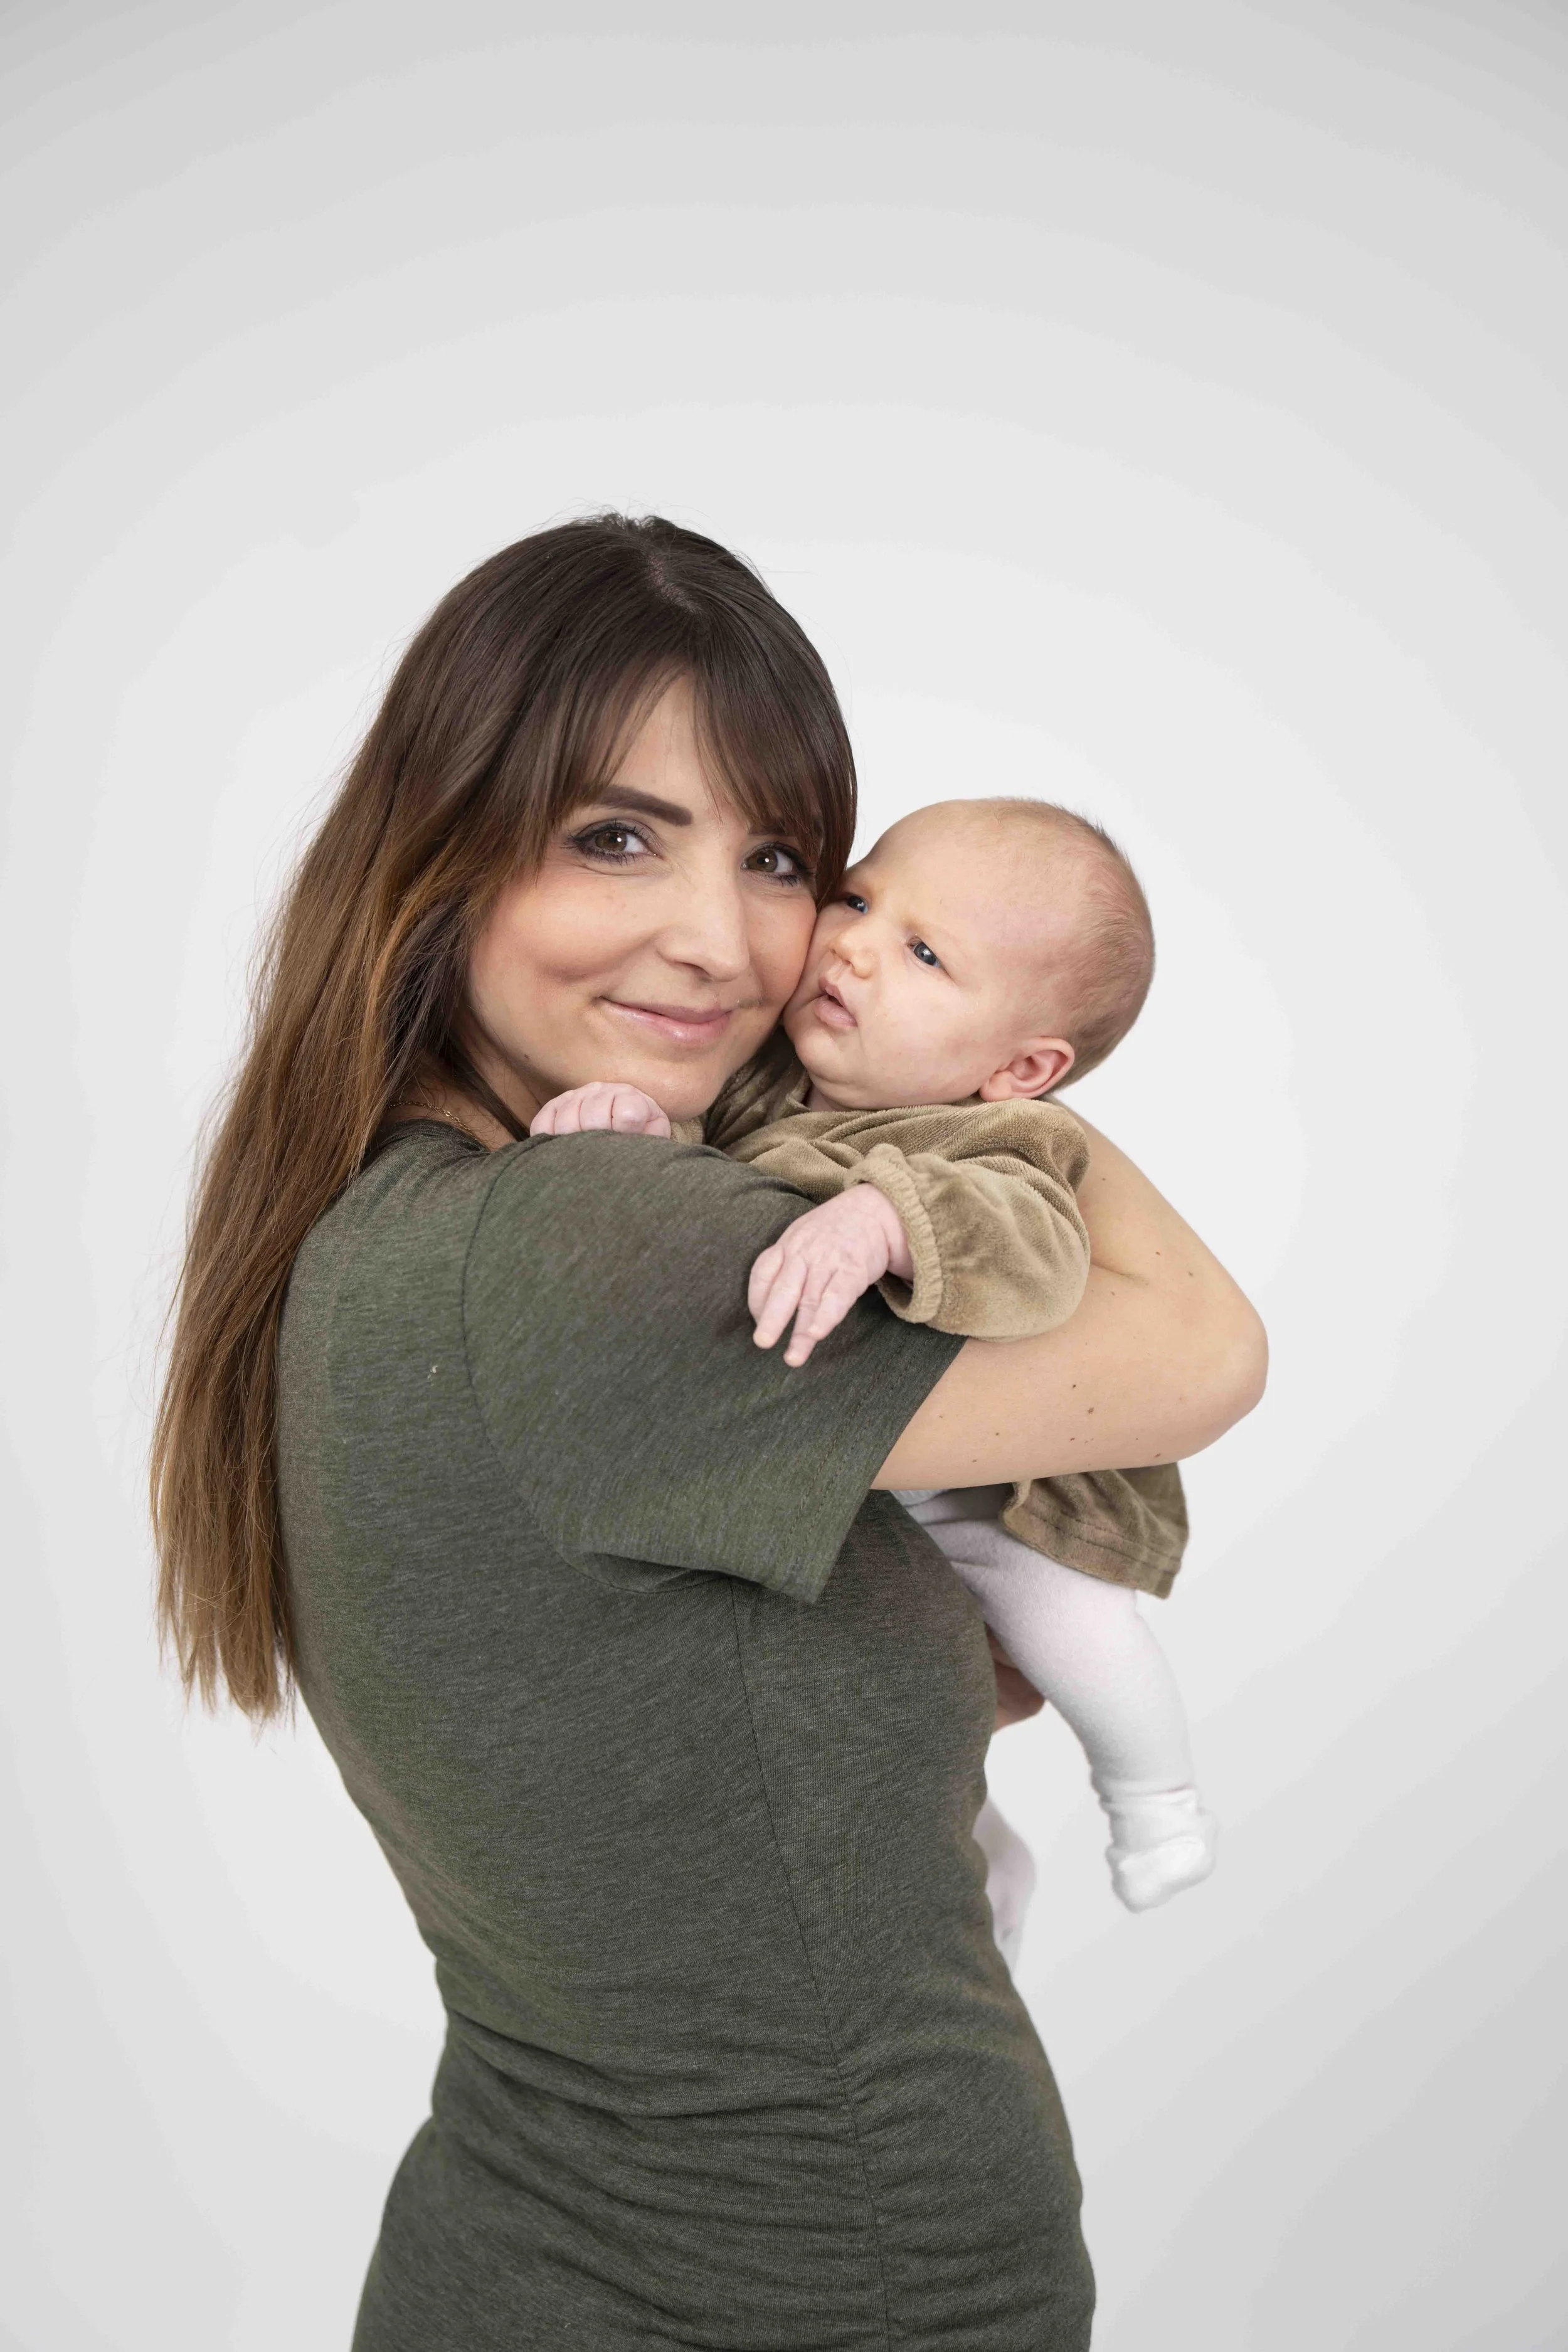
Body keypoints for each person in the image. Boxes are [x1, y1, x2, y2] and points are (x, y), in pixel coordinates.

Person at [151, 514, 1266, 2349]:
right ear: (441, 847)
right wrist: (1011, 1100)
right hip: (815, 2280)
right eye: (615, 836)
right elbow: (1205, 1352)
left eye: (778, 860)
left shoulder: (380, 1231)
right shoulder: (593, 1238)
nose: (725, 944)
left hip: (516, 2261)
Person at [532, 795, 1216, 1915]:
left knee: (1072, 1624)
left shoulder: (1006, 1138)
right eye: (857, 899)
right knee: (893, 1736)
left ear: (1020, 1066)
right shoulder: (757, 1077)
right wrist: (638, 1124)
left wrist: (884, 1218)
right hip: (856, 1496)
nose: (852, 945)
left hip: (1002, 1497)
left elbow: (1038, 1254)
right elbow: (699, 1193)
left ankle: (1158, 1799)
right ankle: (988, 1865)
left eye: (925, 953)